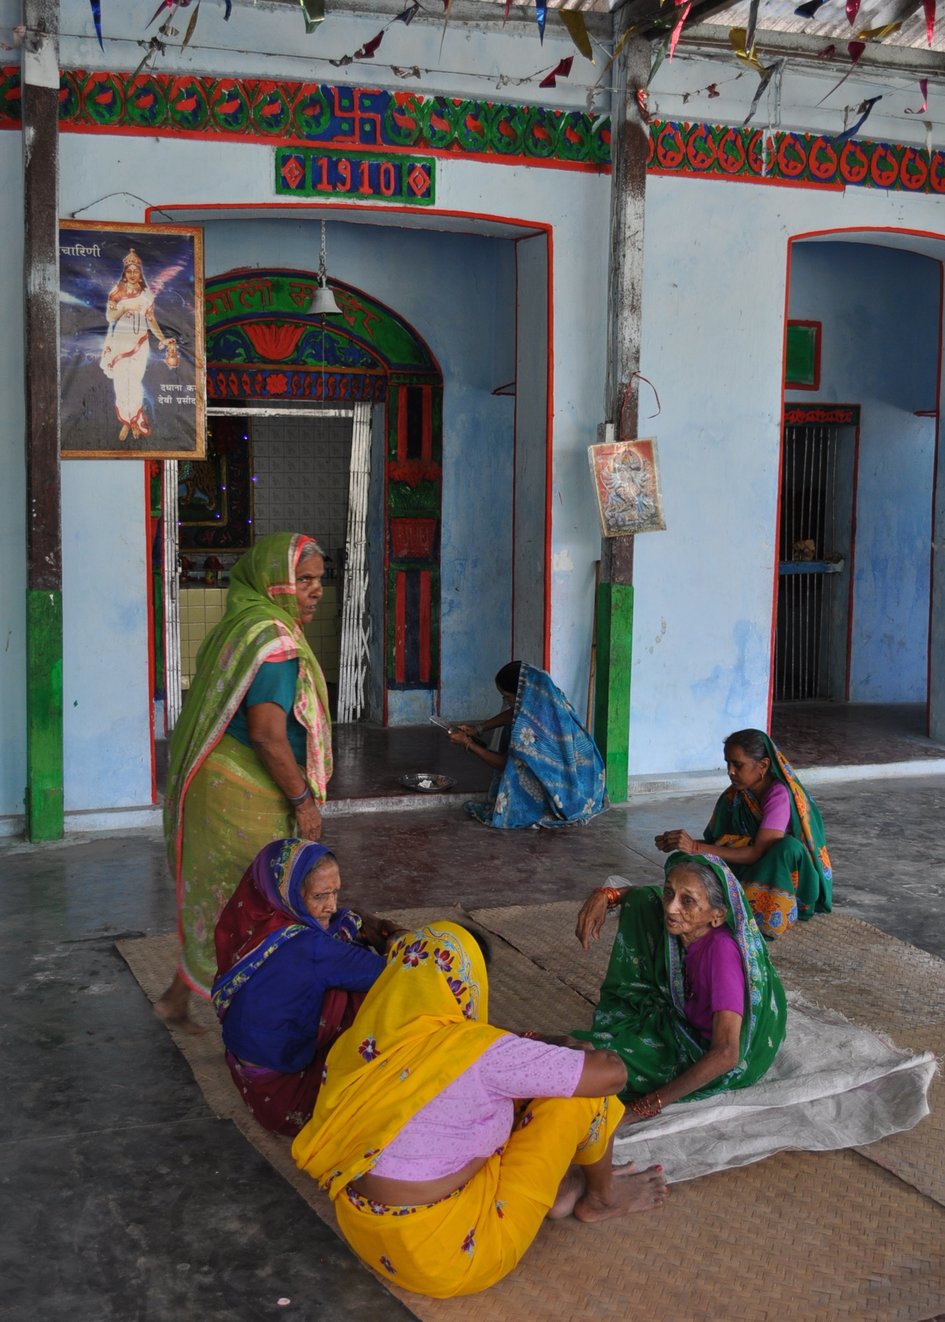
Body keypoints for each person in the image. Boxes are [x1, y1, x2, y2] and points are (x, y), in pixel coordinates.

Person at [291, 921, 668, 1299]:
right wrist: (572, 1052)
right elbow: (611, 1075)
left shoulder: (360, 1045)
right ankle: (602, 1198)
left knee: (491, 1097)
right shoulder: (477, 1051)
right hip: (451, 1261)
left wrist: (530, 1043)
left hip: (367, 1235)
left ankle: (556, 1187)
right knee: (583, 1095)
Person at [157, 532, 332, 1031]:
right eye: (303, 580)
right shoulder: (274, 646)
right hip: (243, 792)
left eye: (319, 579)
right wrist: (303, 801)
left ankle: (177, 998)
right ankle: (257, 1026)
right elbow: (268, 736)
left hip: (218, 782)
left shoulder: (241, 626)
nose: (315, 590)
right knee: (261, 903)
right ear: (274, 584)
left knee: (225, 895)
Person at [573, 854, 787, 1117]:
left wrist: (648, 1105)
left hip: (705, 1052)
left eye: (687, 901)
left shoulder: (721, 953)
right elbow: (644, 895)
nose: (671, 908)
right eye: (669, 893)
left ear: (717, 916)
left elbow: (727, 1053)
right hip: (678, 1023)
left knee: (599, 1065)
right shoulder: (686, 922)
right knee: (641, 903)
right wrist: (606, 895)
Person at [212, 838, 399, 1137]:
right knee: (381, 995)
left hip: (248, 1080)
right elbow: (393, 973)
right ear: (290, 894)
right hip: (290, 1098)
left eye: (336, 892)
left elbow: (344, 921)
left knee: (333, 958)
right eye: (320, 896)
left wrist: (359, 924)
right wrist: (396, 937)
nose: (332, 906)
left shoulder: (252, 922)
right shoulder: (310, 946)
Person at [654, 728, 832, 939]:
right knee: (680, 860)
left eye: (738, 765)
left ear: (763, 765)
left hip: (774, 870)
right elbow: (719, 844)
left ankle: (763, 914)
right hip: (746, 866)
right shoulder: (735, 796)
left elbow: (758, 853)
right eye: (728, 763)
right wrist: (681, 844)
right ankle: (730, 904)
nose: (730, 771)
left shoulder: (779, 795)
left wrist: (695, 847)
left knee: (787, 848)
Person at [448, 661, 607, 829]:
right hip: (589, 783)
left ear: (523, 695)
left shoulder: (538, 732)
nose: (505, 700)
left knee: (518, 744)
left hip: (575, 794)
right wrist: (479, 728)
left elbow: (509, 765)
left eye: (507, 697)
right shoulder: (544, 698)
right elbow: (514, 712)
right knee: (514, 726)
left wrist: (468, 744)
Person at [99, 248, 170, 442]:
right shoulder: (116, 292)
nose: (132, 274)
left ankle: (135, 419)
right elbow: (110, 317)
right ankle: (125, 421)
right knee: (121, 383)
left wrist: (162, 338)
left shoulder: (147, 296)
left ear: (140, 273)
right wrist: (125, 306)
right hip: (121, 341)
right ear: (124, 273)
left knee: (136, 382)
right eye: (129, 271)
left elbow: (151, 321)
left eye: (135, 271)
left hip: (141, 341)